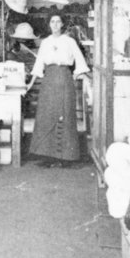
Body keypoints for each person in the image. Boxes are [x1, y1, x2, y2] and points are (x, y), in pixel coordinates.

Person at [27, 13, 90, 167]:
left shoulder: (69, 41)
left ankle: (66, 157)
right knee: (47, 115)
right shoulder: (45, 42)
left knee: (65, 114)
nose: (55, 24)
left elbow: (80, 61)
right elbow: (38, 64)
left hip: (64, 78)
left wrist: (77, 76)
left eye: (58, 22)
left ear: (62, 24)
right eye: (52, 21)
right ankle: (47, 157)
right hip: (49, 80)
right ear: (49, 24)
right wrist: (30, 84)